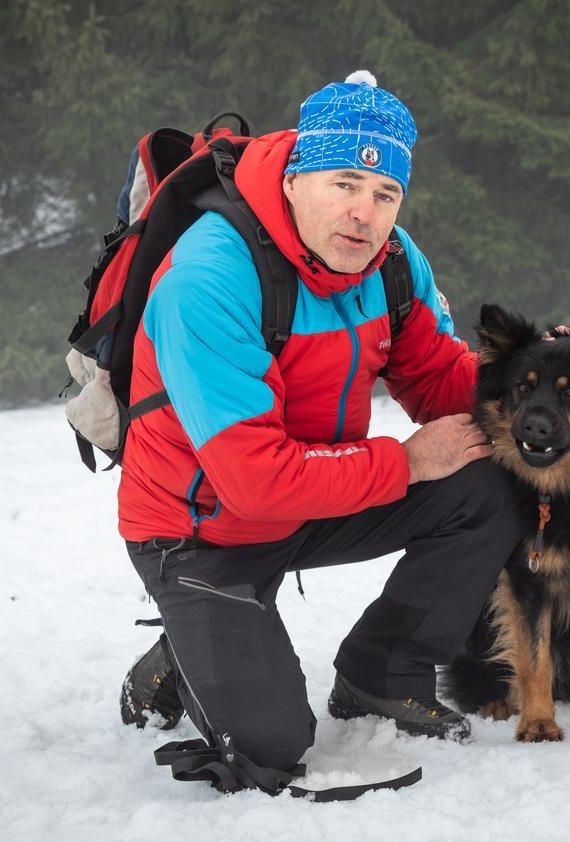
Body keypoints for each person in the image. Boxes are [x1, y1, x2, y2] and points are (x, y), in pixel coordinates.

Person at [117, 71, 522, 778]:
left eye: (385, 194)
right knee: (271, 749)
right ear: (296, 177)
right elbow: (255, 485)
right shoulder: (209, 277)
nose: (364, 214)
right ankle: (187, 644)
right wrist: (408, 463)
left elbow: (437, 379)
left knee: (491, 480)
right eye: (344, 183)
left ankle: (383, 674)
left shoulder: (392, 262)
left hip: (318, 492)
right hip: (202, 531)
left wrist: (537, 375)